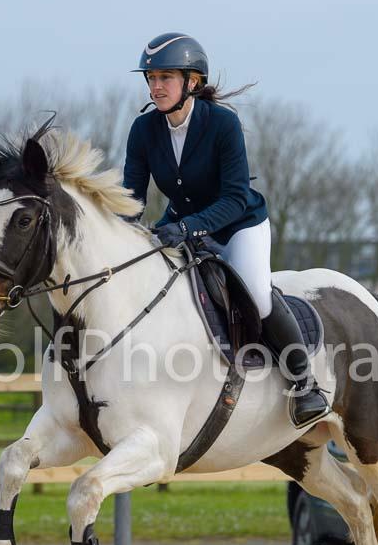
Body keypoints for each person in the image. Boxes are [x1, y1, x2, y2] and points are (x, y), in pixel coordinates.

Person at [122, 32, 329, 428]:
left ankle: (305, 383)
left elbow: (234, 197)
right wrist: (118, 230)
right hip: (180, 225)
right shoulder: (144, 129)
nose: (155, 86)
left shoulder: (222, 124)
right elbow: (131, 198)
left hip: (238, 225)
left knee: (257, 296)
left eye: (165, 77)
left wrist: (187, 227)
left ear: (192, 82)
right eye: (151, 78)